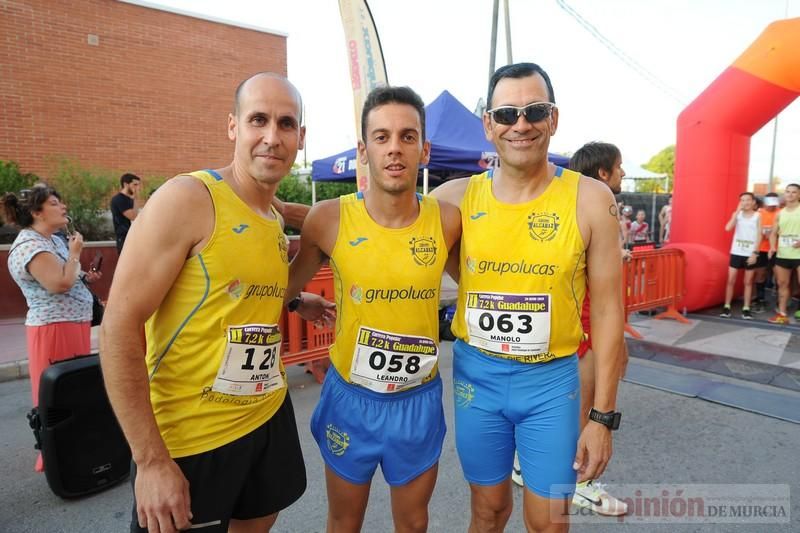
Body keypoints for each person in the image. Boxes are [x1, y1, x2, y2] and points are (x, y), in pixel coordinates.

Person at [99, 72, 333, 533]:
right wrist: (150, 462)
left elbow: (236, 289)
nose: (271, 137)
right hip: (192, 438)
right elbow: (118, 326)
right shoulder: (187, 199)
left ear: (300, 138)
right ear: (233, 127)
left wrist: (294, 300)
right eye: (258, 120)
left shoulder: (270, 216)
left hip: (267, 416)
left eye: (286, 124)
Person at [432, 63, 624, 532]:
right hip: (478, 380)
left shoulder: (590, 199)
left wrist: (601, 417)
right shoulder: (453, 198)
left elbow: (607, 311)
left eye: (534, 110)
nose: (521, 124)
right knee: (488, 511)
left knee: (550, 523)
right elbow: (377, 223)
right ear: (488, 124)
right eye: (507, 113)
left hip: (551, 387)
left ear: (553, 119)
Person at [287, 86, 461, 532]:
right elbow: (280, 285)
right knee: (344, 522)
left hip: (417, 401)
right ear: (364, 150)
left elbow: (483, 282)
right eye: (381, 137)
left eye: (407, 136)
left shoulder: (446, 220)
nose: (395, 148)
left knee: (414, 523)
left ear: (424, 149)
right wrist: (296, 300)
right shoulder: (328, 219)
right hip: (352, 400)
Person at [510, 141, 630, 516]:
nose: (624, 173)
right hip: (583, 322)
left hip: (592, 318)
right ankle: (579, 482)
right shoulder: (578, 205)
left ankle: (524, 466)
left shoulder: (587, 207)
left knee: (591, 391)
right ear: (602, 174)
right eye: (619, 167)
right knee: (584, 402)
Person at [3, 185, 101, 471]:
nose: (63, 207)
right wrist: (75, 252)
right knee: (58, 395)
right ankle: (56, 454)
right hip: (54, 327)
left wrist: (87, 275)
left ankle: (73, 446)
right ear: (36, 212)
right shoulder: (31, 246)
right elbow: (59, 284)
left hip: (72, 323)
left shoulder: (52, 240)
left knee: (75, 388)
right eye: (55, 203)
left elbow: (71, 275)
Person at [720, 192, 761, 319]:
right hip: (736, 251)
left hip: (750, 253)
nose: (745, 203)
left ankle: (746, 308)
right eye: (742, 200)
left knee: (748, 282)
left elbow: (759, 235)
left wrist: (755, 253)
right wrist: (736, 213)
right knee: (730, 280)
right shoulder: (737, 215)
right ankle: (727, 307)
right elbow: (728, 228)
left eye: (748, 200)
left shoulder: (757, 215)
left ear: (753, 202)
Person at [768, 183, 800, 325]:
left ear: (799, 195)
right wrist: (772, 247)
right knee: (782, 284)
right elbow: (773, 233)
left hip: (799, 254)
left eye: (794, 192)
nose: (790, 194)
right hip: (783, 254)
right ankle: (782, 314)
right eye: (788, 192)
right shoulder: (780, 213)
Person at [753, 192, 780, 313]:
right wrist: (761, 234)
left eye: (774, 204)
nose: (771, 207)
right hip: (761, 248)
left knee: (779, 277)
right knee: (761, 274)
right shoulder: (758, 213)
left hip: (777, 249)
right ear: (765, 202)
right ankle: (760, 299)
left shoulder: (781, 212)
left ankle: (780, 302)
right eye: (769, 204)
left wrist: (775, 234)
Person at [110, 173, 141, 254]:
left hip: (130, 237)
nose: (137, 188)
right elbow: (133, 216)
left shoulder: (130, 199)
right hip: (123, 238)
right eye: (135, 184)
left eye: (138, 185)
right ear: (126, 184)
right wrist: (136, 197)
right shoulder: (119, 199)